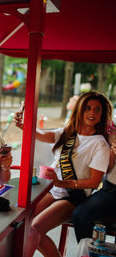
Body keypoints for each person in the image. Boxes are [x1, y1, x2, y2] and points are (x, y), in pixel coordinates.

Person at [13, 91, 112, 257]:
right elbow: (43, 135)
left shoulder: (100, 144)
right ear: (80, 109)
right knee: (22, 224)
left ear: (102, 115)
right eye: (87, 108)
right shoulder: (68, 132)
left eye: (97, 110)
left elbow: (94, 182)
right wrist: (25, 126)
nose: (92, 113)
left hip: (73, 196)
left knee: (35, 228)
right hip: (52, 189)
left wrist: (62, 183)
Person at [72, 136, 116, 242]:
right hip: (109, 190)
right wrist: (112, 151)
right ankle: (87, 252)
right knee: (80, 215)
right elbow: (108, 169)